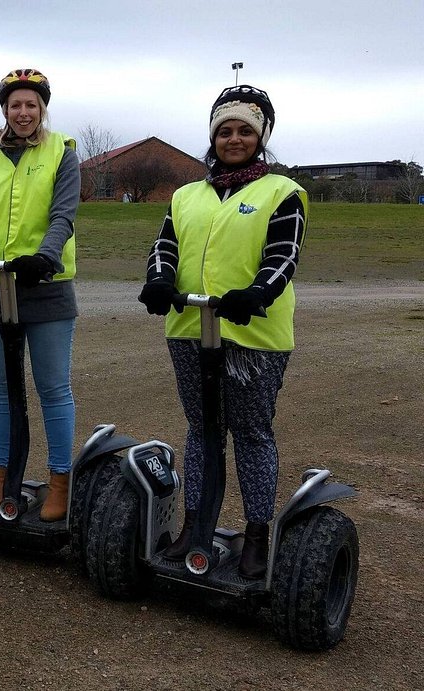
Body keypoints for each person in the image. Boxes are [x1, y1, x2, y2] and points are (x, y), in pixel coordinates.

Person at [138, 84, 307, 579]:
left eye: (245, 131)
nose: (234, 139)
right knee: (202, 427)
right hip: (190, 325)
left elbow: (284, 255)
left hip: (253, 335)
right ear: (213, 138)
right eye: (225, 131)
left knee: (251, 431)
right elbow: (165, 244)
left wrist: (258, 293)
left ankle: (257, 534)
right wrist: (159, 279)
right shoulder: (186, 194)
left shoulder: (282, 192)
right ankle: (197, 526)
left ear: (261, 136)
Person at [0, 69, 81, 521]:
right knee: (3, 391)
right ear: (4, 109)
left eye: (31, 104)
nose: (23, 112)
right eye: (14, 105)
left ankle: (59, 481)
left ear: (43, 108)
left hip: (45, 286)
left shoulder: (62, 153)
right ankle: (4, 478)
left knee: (52, 389)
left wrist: (45, 256)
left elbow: (63, 215)